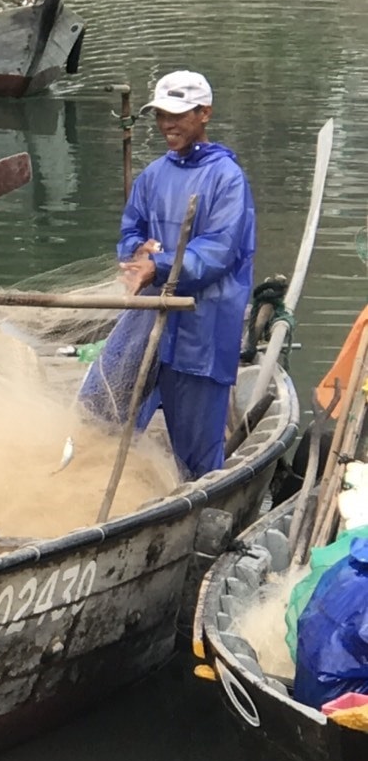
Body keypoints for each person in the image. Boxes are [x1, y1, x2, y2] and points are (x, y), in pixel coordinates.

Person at [116, 70, 256, 479]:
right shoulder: (153, 175)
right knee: (114, 419)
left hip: (202, 328)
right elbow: (130, 230)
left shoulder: (226, 178)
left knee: (197, 449)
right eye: (160, 115)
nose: (167, 125)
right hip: (151, 320)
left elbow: (218, 251)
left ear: (205, 113)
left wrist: (157, 266)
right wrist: (136, 251)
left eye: (177, 115)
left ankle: (200, 508)